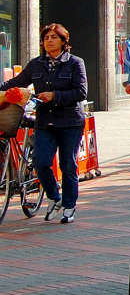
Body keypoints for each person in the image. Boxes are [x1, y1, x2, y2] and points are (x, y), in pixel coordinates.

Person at [1, 23, 87, 224]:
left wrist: (54, 95)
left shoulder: (75, 63)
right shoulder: (36, 64)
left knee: (68, 165)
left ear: (64, 41)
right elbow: (16, 82)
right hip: (45, 121)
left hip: (70, 122)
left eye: (54, 37)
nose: (49, 40)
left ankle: (69, 206)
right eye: (46, 37)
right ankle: (54, 197)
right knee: (41, 162)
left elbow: (81, 92)